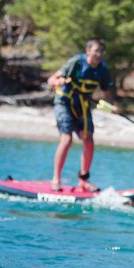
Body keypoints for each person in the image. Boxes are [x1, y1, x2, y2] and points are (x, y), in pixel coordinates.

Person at [46, 39, 118, 192]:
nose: (99, 54)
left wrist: (112, 106)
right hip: (64, 102)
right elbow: (51, 79)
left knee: (89, 140)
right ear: (88, 51)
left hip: (83, 106)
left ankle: (83, 180)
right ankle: (56, 179)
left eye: (102, 52)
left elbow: (107, 92)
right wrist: (57, 82)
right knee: (66, 139)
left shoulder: (103, 71)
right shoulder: (76, 63)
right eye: (96, 51)